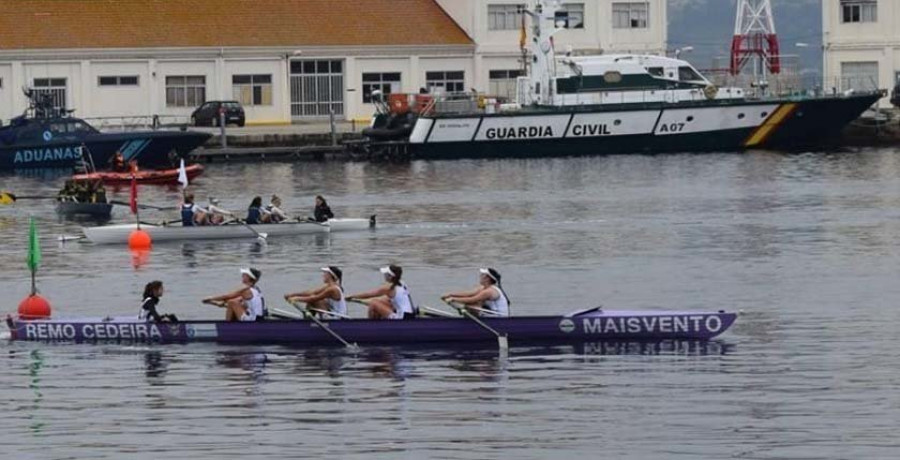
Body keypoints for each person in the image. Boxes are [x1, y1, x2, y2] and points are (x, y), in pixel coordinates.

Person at [346, 265, 416, 320]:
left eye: (385, 274)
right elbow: (385, 300)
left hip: (401, 318)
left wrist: (352, 296)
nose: (384, 275)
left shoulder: (388, 288)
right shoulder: (402, 283)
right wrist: (357, 300)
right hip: (410, 315)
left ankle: (371, 328)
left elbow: (369, 294)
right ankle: (378, 323)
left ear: (390, 277)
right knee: (381, 302)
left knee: (374, 303)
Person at [202, 268, 266, 322]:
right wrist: (211, 302)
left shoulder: (246, 289)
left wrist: (210, 298)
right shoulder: (256, 289)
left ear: (249, 277)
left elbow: (227, 296)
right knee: (234, 302)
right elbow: (224, 303)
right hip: (258, 319)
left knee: (232, 302)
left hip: (253, 320)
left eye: (244, 275)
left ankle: (227, 328)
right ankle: (233, 326)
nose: (242, 276)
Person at [443, 268, 511, 317]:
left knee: (472, 305)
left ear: (488, 278)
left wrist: (453, 299)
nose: (480, 276)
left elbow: (472, 299)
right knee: (471, 305)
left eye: (482, 275)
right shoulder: (483, 288)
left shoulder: (490, 291)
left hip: (499, 318)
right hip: (490, 314)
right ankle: (468, 320)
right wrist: (450, 294)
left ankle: (469, 324)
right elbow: (469, 294)